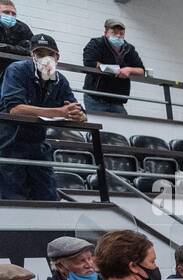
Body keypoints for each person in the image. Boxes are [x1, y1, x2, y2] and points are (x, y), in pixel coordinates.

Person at [0, 33, 83, 201]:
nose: (46, 58)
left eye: (50, 54)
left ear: (57, 57)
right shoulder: (17, 70)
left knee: (48, 196)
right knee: (13, 197)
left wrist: (78, 115)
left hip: (38, 144)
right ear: (32, 56)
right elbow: (15, 110)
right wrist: (60, 112)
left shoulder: (61, 81)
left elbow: (76, 109)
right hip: (9, 142)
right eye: (40, 54)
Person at [81, 18, 144, 114]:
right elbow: (89, 62)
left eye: (121, 33)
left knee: (122, 127)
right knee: (98, 126)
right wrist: (112, 70)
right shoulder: (96, 44)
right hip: (96, 97)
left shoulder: (129, 49)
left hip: (117, 100)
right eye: (114, 33)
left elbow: (141, 70)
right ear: (106, 33)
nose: (118, 36)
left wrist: (129, 69)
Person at [0, 1, 33, 81]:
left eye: (13, 14)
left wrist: (5, 47)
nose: (10, 16)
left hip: (13, 74)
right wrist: (18, 49)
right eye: (6, 12)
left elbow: (32, 50)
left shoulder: (22, 28)